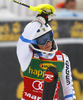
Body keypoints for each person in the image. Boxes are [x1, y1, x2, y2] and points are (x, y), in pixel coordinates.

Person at [16, 4, 76, 100]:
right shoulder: (27, 57)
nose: (48, 42)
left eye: (49, 37)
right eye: (42, 40)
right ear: (34, 43)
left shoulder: (63, 58)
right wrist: (39, 20)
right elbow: (22, 43)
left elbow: (68, 89)